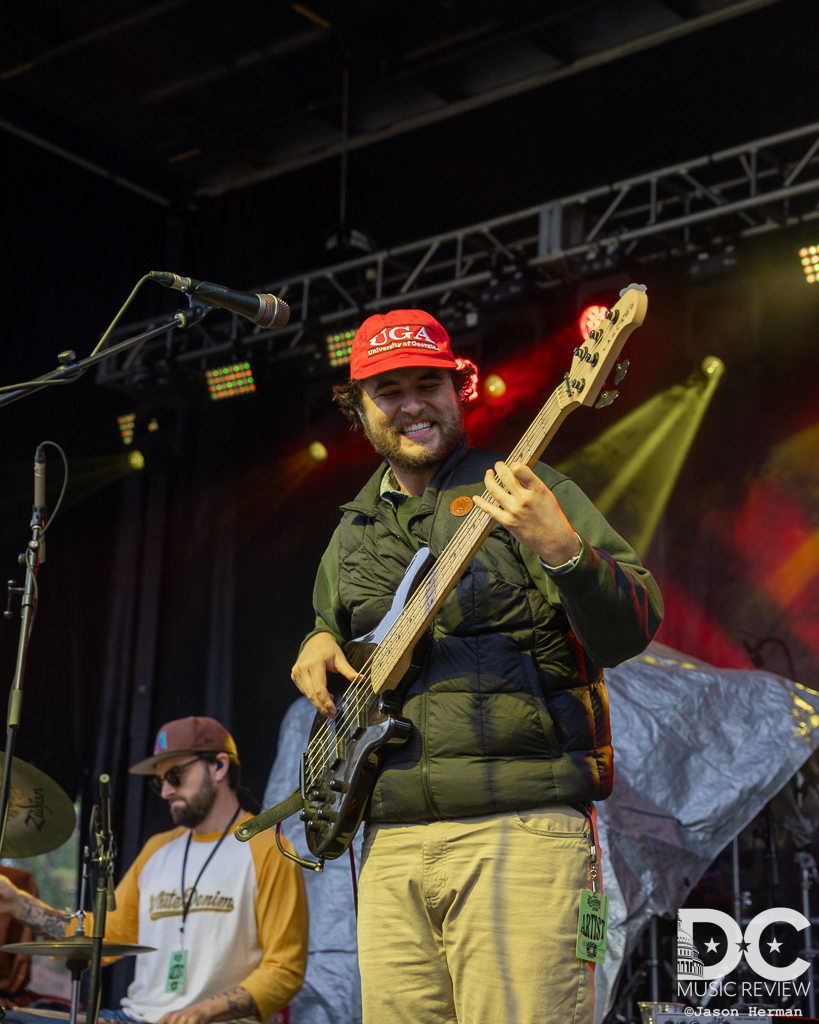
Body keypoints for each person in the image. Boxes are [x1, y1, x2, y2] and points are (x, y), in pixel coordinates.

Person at [291, 309, 663, 1024]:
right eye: (387, 390)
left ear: (458, 388)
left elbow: (630, 626)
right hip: (389, 842)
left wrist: (561, 547)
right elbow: (332, 634)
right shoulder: (351, 530)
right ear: (358, 409)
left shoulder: (527, 486)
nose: (410, 405)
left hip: (519, 830)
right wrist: (313, 643)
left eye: (426, 384)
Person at [0, 717, 309, 1024]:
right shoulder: (157, 849)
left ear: (219, 766)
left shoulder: (269, 848)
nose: (165, 792)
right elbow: (102, 939)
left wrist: (202, 1011)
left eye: (175, 775)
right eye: (159, 781)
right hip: (135, 1016)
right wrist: (17, 902)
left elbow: (284, 970)